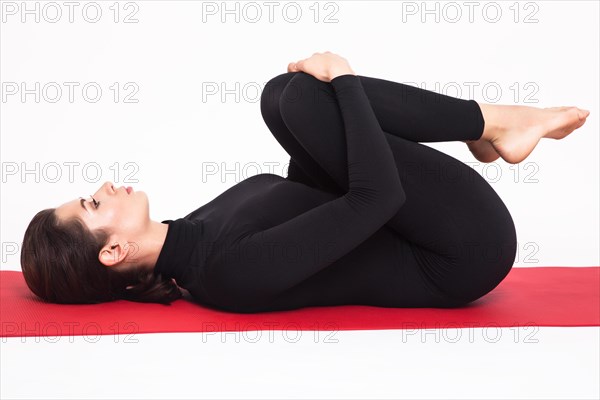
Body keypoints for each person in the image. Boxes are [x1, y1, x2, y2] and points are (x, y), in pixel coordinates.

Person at [20, 52, 590, 313]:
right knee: (306, 98)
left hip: (411, 223)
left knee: (281, 97)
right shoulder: (225, 271)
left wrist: (312, 118)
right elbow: (375, 198)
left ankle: (494, 126)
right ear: (113, 251)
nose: (107, 185)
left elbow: (313, 201)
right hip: (460, 250)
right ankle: (497, 123)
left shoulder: (189, 233)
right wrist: (345, 83)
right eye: (93, 203)